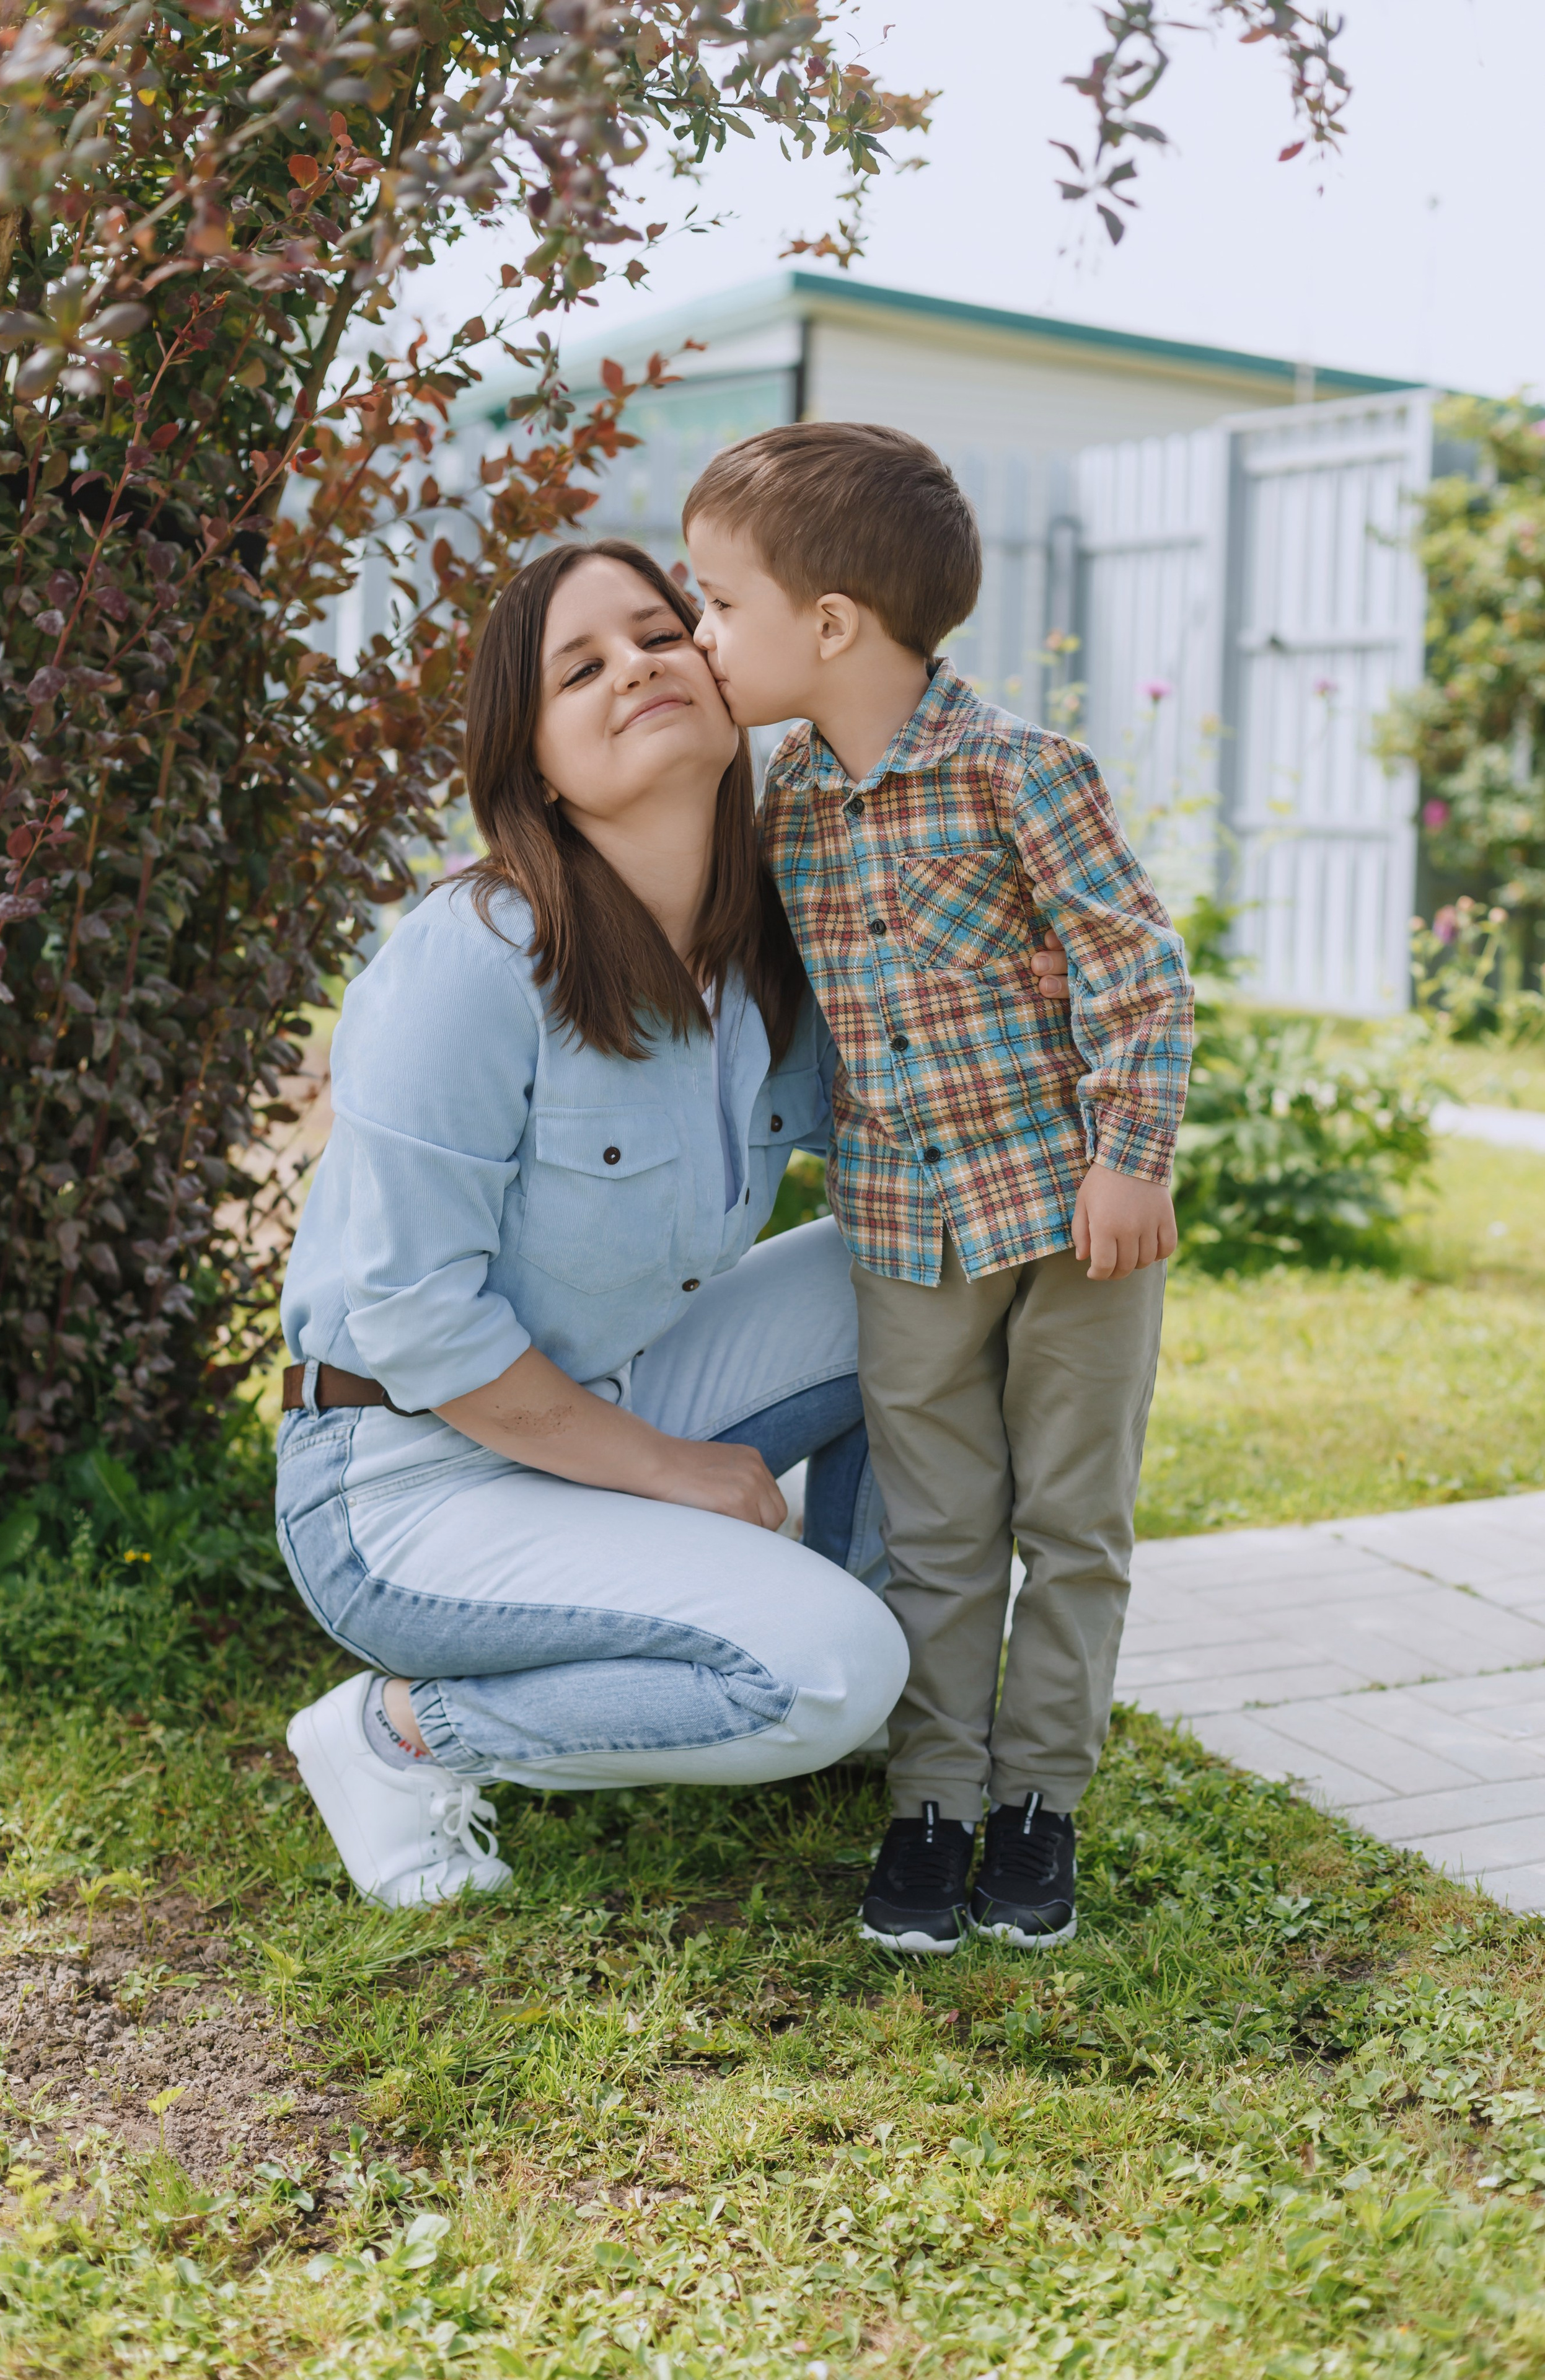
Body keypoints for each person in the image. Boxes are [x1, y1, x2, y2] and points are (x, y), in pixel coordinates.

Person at [275, 536, 1068, 1912]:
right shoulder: (471, 958)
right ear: (532, 763)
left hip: (613, 1391)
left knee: (930, 1251)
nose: (637, 665)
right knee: (824, 1670)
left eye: (658, 634)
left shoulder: (771, 939)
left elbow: (923, 1129)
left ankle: (840, 1634)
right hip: (404, 1481)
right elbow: (412, 1316)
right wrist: (672, 1472)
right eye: (580, 667)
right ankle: (394, 1737)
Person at [684, 424, 1195, 1955]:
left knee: (1073, 1520)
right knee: (937, 1527)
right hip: (903, 1231)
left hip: (1070, 1223)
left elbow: (1140, 976)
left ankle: (1038, 1802)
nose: (700, 636)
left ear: (826, 622)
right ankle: (932, 1804)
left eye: (717, 603)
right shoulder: (786, 801)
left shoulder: (1019, 773)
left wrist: (1130, 1158)